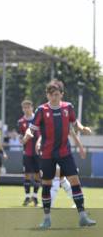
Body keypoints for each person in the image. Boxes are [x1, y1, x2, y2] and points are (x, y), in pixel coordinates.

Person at [24, 79, 95, 228]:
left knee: (75, 180)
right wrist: (28, 134)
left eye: (56, 94)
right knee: (47, 185)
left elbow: (75, 123)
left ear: (61, 94)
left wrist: (82, 128)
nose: (54, 97)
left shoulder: (68, 107)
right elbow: (32, 128)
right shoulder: (41, 110)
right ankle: (46, 218)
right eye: (51, 94)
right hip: (47, 154)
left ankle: (83, 216)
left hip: (64, 152)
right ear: (47, 95)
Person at [17, 100, 40, 206]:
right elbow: (20, 136)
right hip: (27, 152)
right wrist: (22, 140)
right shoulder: (21, 122)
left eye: (28, 107)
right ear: (22, 109)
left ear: (32, 107)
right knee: (27, 174)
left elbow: (43, 133)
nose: (26, 109)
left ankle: (35, 197)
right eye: (24, 108)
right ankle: (27, 197)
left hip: (38, 152)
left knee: (37, 175)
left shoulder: (38, 119)